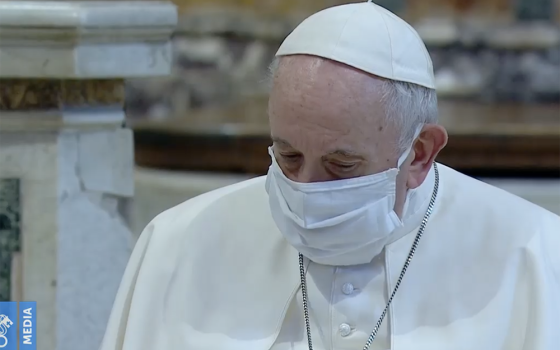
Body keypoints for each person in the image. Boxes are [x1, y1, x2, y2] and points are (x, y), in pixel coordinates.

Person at [100, 1, 560, 349]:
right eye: (289, 156)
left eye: (342, 166)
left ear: (419, 154)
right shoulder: (176, 244)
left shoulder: (534, 254)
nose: (305, 190)